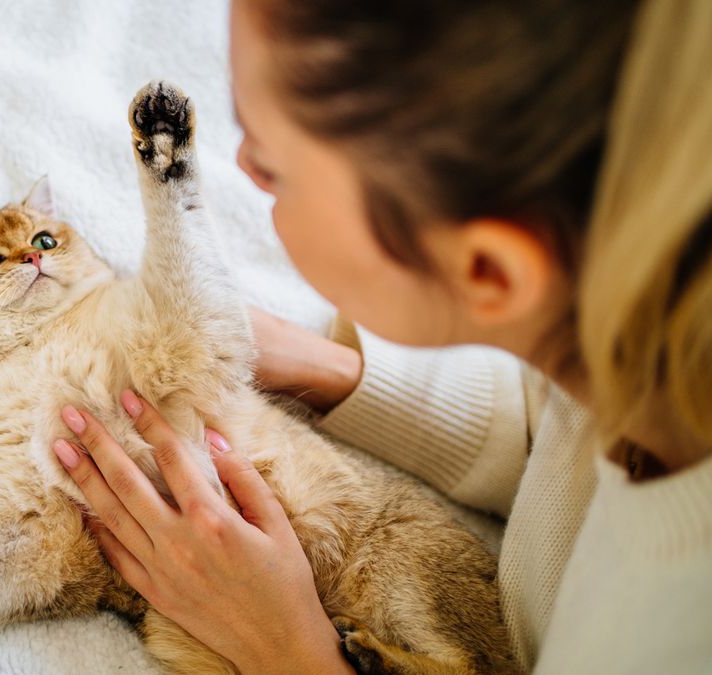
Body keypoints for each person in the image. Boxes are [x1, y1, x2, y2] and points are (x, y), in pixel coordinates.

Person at [51, 0, 712, 672]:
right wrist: (335, 371)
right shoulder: (636, 330)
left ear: (485, 268)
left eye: (276, 170)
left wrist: (290, 648)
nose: (243, 165)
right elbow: (558, 437)